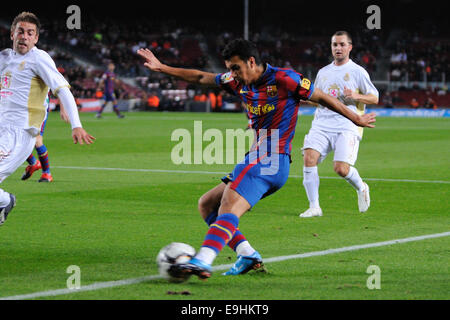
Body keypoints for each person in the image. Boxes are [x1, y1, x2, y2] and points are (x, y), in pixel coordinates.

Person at [137, 39, 376, 280]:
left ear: (251, 62)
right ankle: (247, 254)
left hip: (271, 159)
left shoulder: (286, 78)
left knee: (228, 207)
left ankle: (203, 259)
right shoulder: (236, 82)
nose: (233, 75)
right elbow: (201, 78)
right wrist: (162, 67)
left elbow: (323, 97)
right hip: (258, 159)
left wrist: (356, 119)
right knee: (207, 205)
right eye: (230, 69)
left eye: (236, 68)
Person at [0, 12, 95, 226]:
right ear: (12, 34)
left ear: (36, 38)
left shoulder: (38, 58)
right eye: (20, 31)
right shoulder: (5, 57)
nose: (24, 36)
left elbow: (63, 91)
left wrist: (76, 125)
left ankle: (5, 201)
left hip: (20, 133)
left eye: (30, 33)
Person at [299, 31, 379, 218]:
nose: (338, 48)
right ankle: (314, 207)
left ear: (350, 47)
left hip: (347, 124)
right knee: (309, 158)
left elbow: (374, 97)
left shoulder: (358, 72)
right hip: (321, 123)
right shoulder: (323, 72)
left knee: (341, 168)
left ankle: (361, 187)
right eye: (335, 45)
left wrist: (356, 96)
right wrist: (303, 99)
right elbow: (318, 99)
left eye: (342, 44)